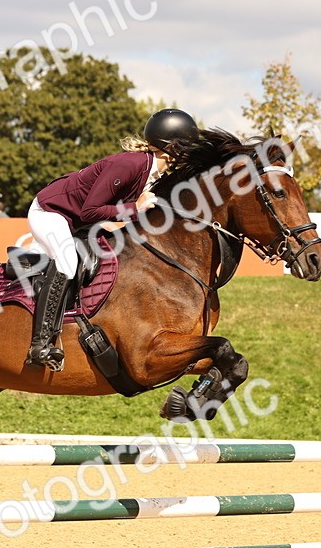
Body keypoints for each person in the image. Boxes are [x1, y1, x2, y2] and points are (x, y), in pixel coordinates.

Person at [24, 107, 199, 370]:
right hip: (51, 212)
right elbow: (91, 210)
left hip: (80, 221)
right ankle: (41, 344)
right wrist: (135, 208)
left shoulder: (154, 174)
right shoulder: (128, 164)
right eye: (187, 149)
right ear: (172, 149)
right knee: (67, 262)